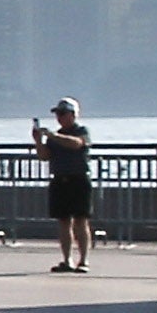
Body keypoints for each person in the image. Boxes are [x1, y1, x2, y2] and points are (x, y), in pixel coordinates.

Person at [35, 96, 96, 270]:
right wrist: (38, 140)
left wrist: (53, 136)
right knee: (63, 221)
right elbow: (44, 156)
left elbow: (77, 144)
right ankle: (67, 259)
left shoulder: (81, 130)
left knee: (80, 221)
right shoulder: (54, 137)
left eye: (62, 113)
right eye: (58, 114)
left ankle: (83, 260)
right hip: (60, 179)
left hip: (78, 179)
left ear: (73, 114)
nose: (59, 117)